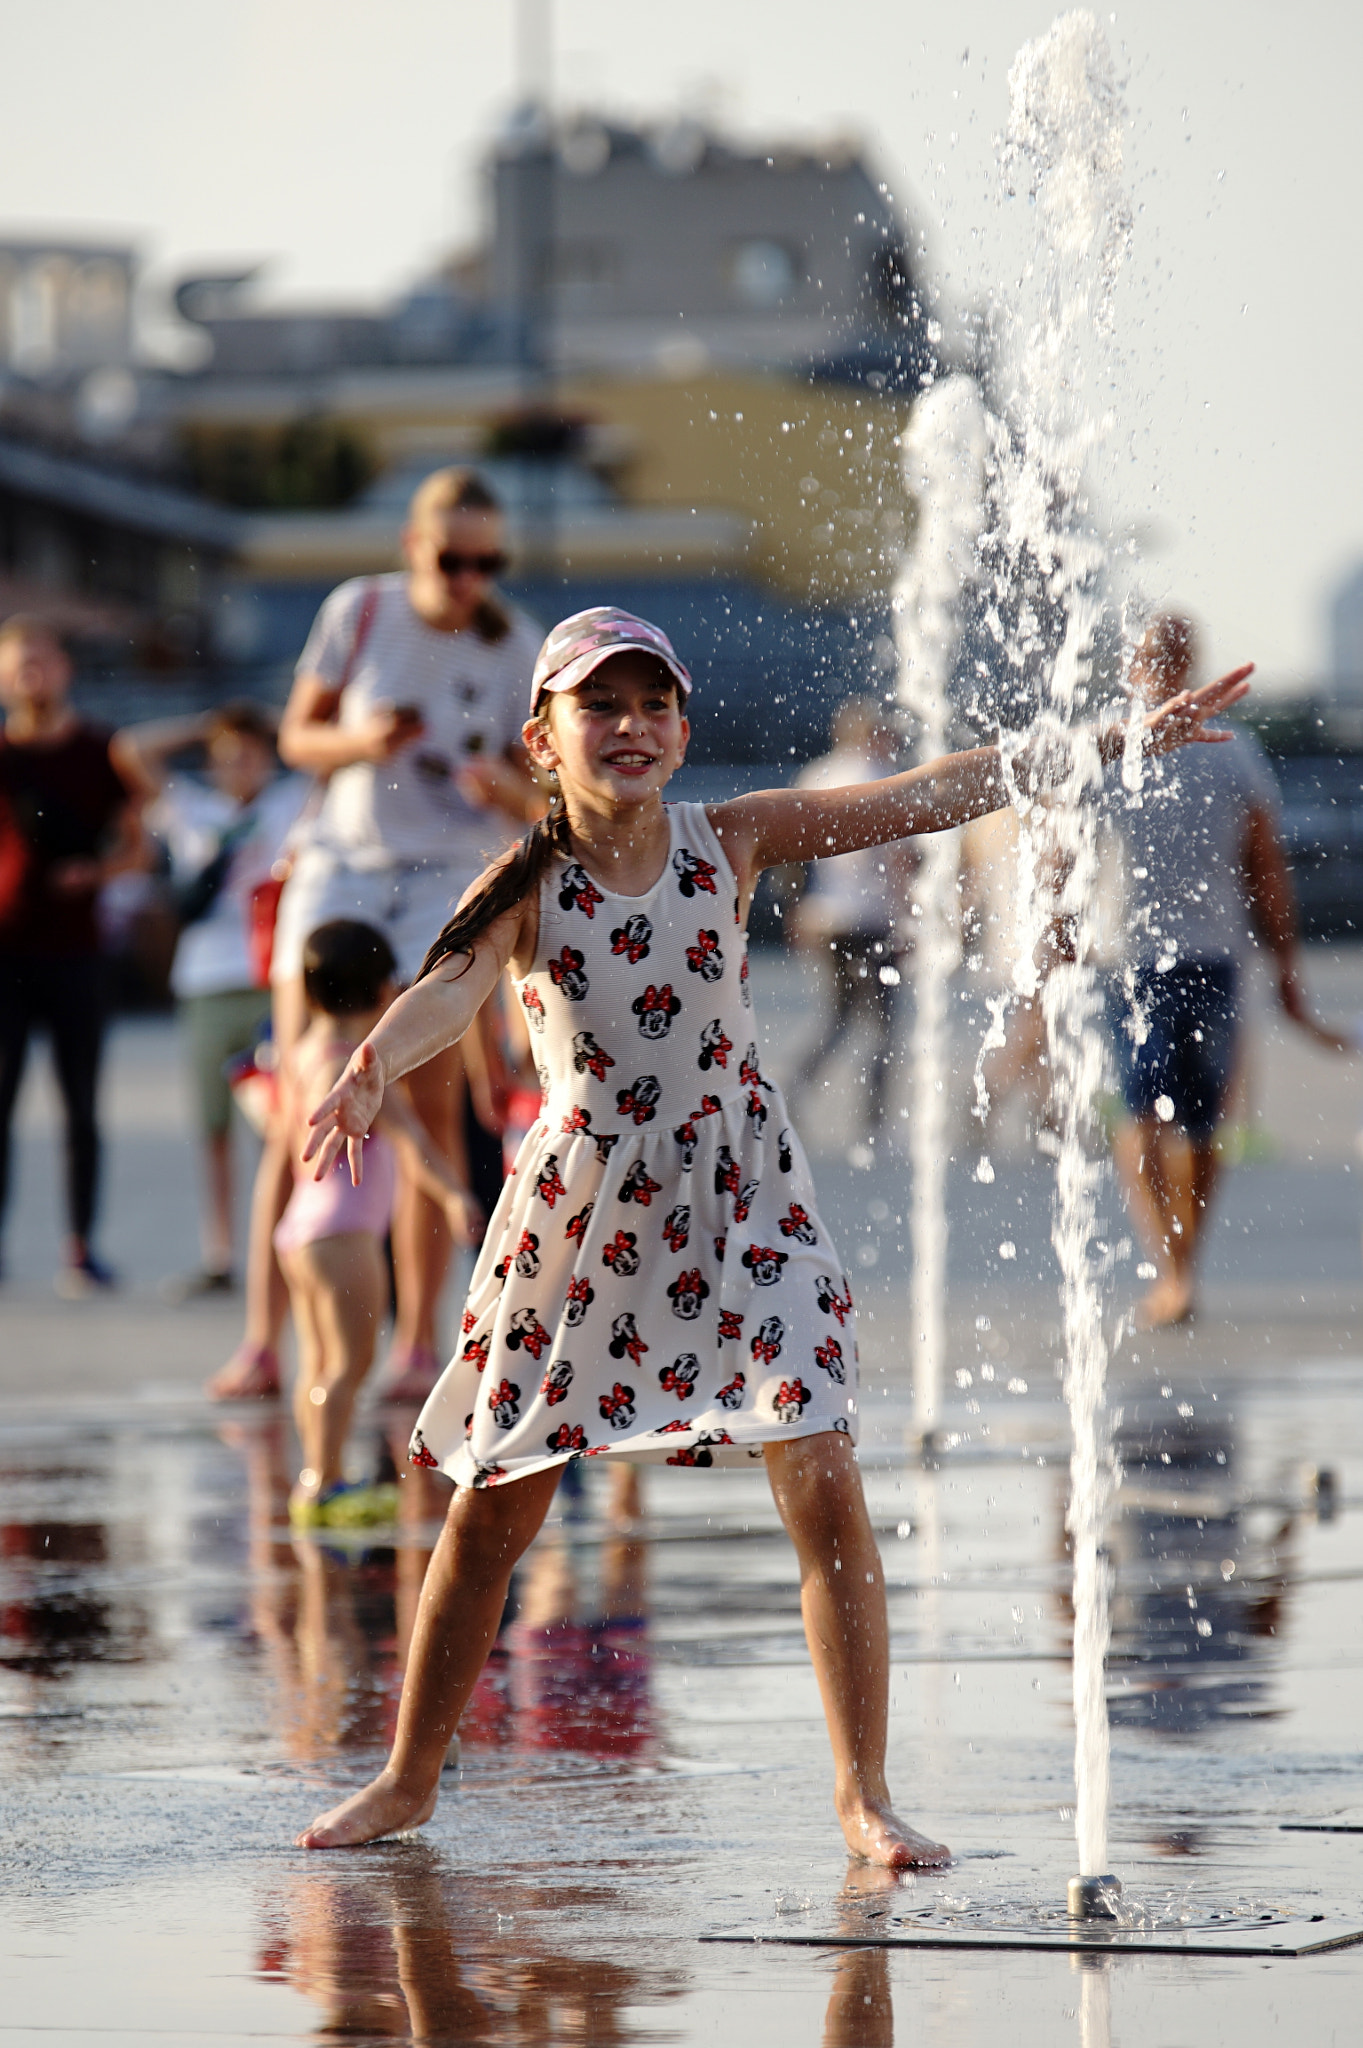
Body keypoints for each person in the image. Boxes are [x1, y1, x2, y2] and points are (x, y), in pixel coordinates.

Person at [292, 605, 1250, 1863]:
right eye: (600, 705)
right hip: (585, 1214)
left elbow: (923, 795)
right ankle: (411, 1775)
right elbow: (447, 990)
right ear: (542, 736)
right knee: (493, 1509)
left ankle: (863, 1795)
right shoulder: (525, 885)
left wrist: (1101, 742)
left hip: (743, 1194)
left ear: (682, 730)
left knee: (820, 1463)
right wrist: (369, 1062)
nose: (629, 726)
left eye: (651, 705)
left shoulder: (728, 838)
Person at [213, 467, 543, 1404]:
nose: (472, 577)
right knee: (299, 1097)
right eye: (454, 558)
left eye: (490, 559)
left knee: (426, 1115)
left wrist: (500, 791)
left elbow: (541, 794)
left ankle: (413, 1346)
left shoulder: (511, 640)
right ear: (413, 547)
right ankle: (263, 1340)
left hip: (446, 869)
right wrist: (366, 743)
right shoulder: (360, 611)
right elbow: (294, 741)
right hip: (344, 862)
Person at [1108, 614, 1345, 1329]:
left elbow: (1263, 867)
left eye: (1169, 654)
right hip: (1124, 961)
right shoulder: (1107, 745)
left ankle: (1181, 1265)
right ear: (1132, 665)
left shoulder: (1233, 754)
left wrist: (1285, 967)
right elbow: (1062, 850)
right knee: (1143, 1113)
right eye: (1150, 654)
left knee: (1202, 1123)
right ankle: (1166, 1262)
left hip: (1210, 959)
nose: (1158, 665)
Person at [270, 919, 481, 1525]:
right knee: (351, 1364)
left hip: (300, 1230)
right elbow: (412, 1141)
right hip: (345, 1232)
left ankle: (319, 1470)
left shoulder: (305, 1051)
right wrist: (452, 1196)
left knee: (317, 1360)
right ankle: (324, 1481)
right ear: (388, 991)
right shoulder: (360, 1067)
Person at [110, 702, 309, 1296]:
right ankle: (220, 1254)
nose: (239, 767)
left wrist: (276, 725)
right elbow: (130, 749)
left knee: (282, 1125)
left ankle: (288, 1247)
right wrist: (208, 724)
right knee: (213, 1127)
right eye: (227, 758)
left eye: (249, 755)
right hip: (205, 979)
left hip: (272, 978)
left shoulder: (287, 802)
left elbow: (323, 767)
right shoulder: (194, 808)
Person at [0, 616, 148, 1294]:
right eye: (18, 660)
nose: (31, 671)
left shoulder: (100, 752)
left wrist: (97, 873)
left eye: (42, 659)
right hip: (5, 952)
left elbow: (138, 846)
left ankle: (81, 1247)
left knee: (81, 1105)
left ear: (64, 668)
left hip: (76, 953)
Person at [788, 697, 915, 1152]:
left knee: (837, 1018)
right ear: (873, 734)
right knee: (884, 1025)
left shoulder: (817, 774)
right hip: (873, 918)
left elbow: (794, 856)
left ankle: (792, 1091)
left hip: (827, 916)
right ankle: (874, 1122)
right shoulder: (883, 778)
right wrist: (910, 918)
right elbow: (899, 858)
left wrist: (799, 911)